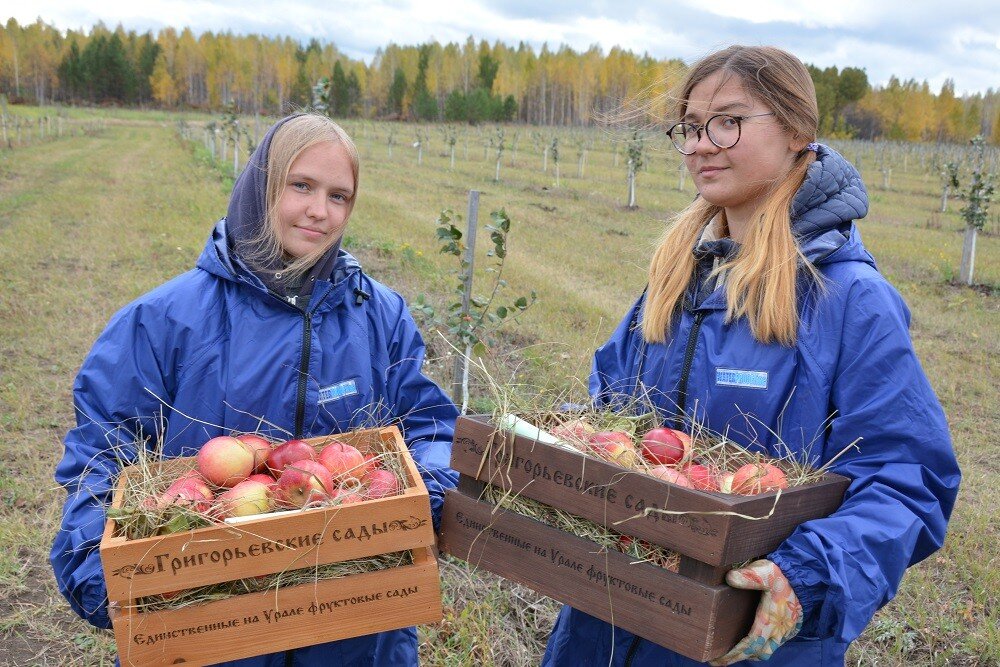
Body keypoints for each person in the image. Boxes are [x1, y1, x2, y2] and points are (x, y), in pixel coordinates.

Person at [542, 46, 960, 666]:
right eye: (690, 128)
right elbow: (612, 406)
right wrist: (569, 439)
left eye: (728, 121)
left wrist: (809, 572)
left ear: (796, 132)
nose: (701, 145)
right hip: (611, 622)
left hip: (743, 640)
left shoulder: (848, 302)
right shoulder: (679, 281)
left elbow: (908, 480)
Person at [50, 112, 459, 666]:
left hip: (354, 625)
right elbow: (104, 449)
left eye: (340, 196)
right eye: (301, 185)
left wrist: (414, 507)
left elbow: (428, 424)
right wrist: (105, 568)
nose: (320, 210)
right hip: (208, 619)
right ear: (261, 186)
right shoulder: (165, 320)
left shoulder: (378, 315)